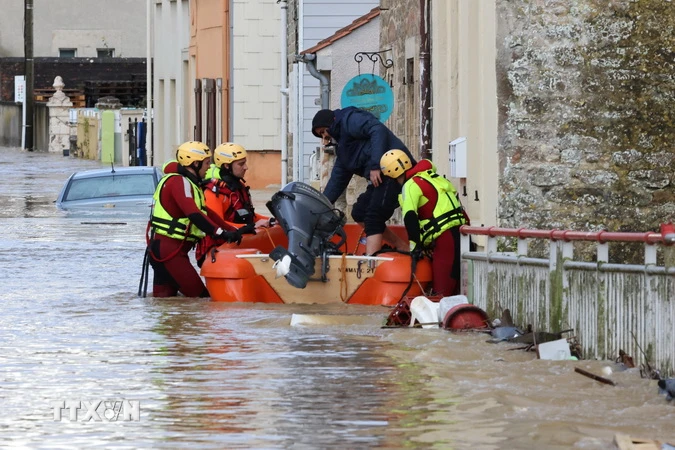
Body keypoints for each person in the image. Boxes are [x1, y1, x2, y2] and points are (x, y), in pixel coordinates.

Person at [311, 107, 414, 255]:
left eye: (323, 132)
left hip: (394, 170)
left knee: (373, 216)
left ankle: (371, 263)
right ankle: (401, 246)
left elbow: (377, 130)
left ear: (330, 123)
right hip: (381, 176)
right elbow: (337, 181)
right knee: (359, 212)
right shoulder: (344, 149)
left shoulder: (349, 119)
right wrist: (321, 207)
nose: (324, 138)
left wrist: (375, 165)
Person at [147, 141, 241, 298]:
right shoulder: (179, 182)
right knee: (202, 300)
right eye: (206, 163)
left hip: (164, 250)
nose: (209, 168)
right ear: (195, 164)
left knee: (165, 304)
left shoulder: (188, 182)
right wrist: (220, 233)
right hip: (170, 252)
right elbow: (194, 214)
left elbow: (205, 212)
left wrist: (231, 230)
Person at [379, 149, 468, 296]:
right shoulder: (430, 176)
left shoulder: (410, 186)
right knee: (456, 288)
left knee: (441, 293)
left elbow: (410, 218)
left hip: (445, 239)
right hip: (460, 234)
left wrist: (415, 248)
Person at [195, 142, 273, 264]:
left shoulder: (238, 187)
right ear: (227, 166)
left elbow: (249, 216)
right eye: (241, 164)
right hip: (219, 249)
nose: (246, 167)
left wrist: (270, 221)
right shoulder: (214, 192)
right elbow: (216, 224)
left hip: (238, 245)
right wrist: (248, 227)